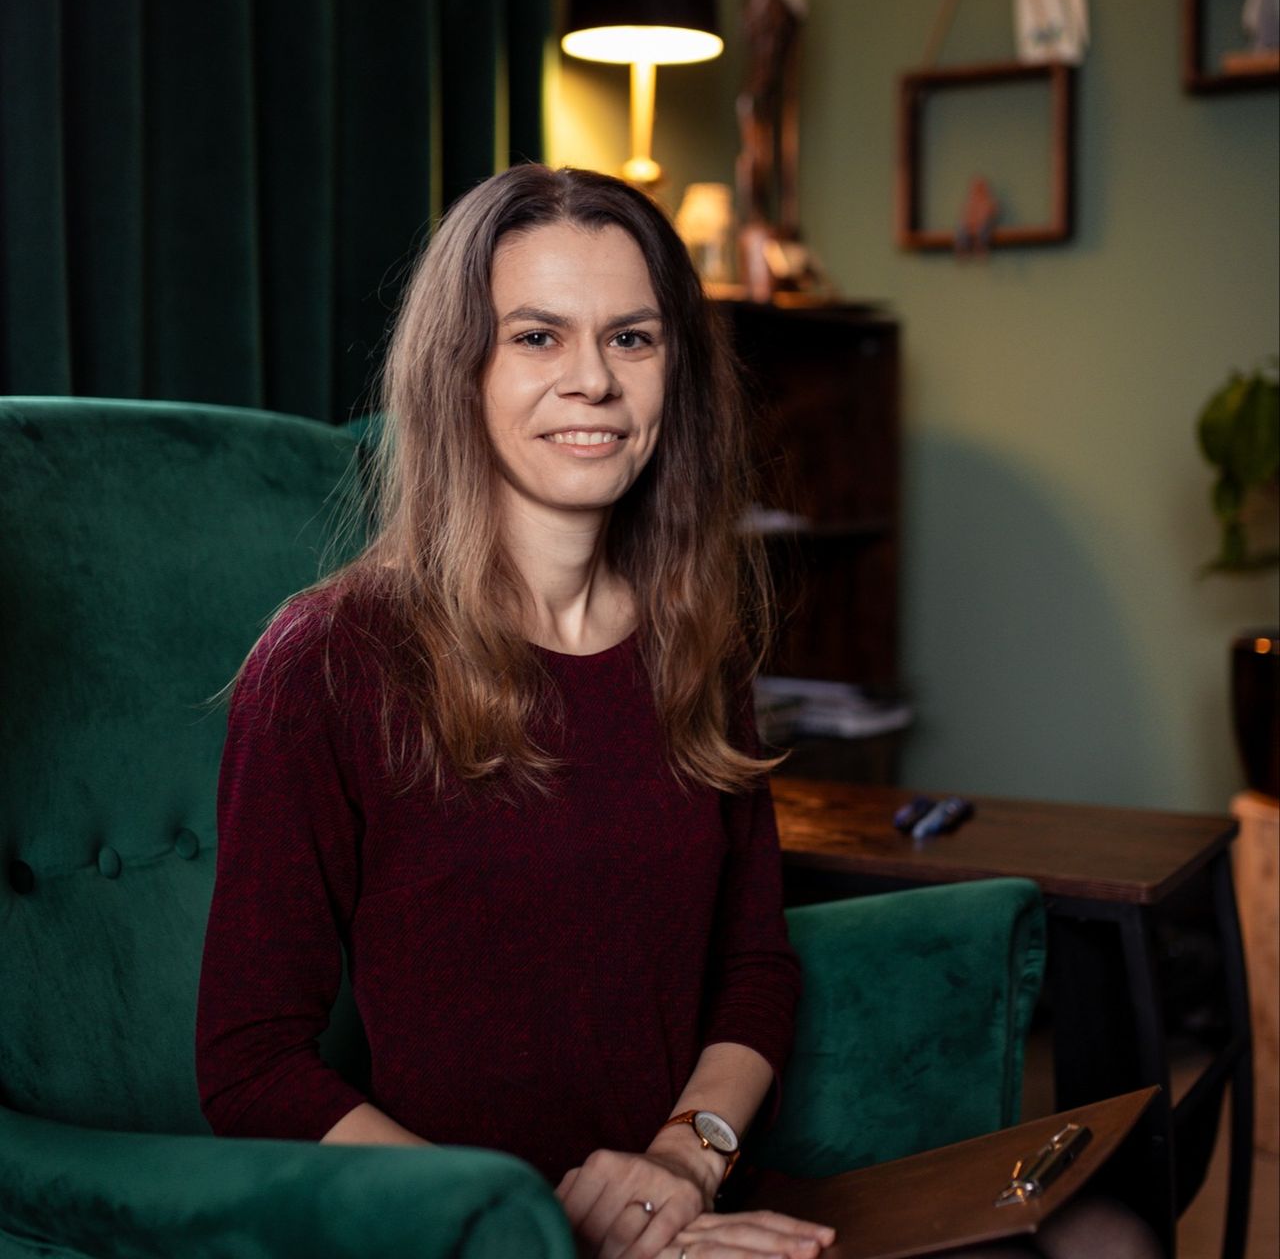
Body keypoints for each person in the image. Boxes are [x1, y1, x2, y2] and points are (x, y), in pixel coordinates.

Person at [196, 163, 1160, 1259]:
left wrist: (683, 1160)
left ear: (673, 373)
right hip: (476, 1232)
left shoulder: (694, 643)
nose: (593, 381)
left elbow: (754, 968)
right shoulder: (328, 659)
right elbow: (250, 1062)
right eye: (537, 336)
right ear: (455, 370)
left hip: (696, 1204)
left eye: (631, 338)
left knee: (1103, 1237)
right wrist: (527, 1224)